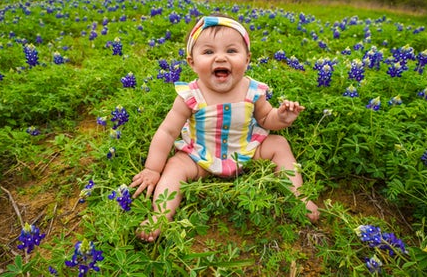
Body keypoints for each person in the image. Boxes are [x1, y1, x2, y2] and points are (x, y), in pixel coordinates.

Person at [130, 15, 319, 242]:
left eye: (231, 51)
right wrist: (152, 168)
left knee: (279, 143)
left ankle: (297, 196)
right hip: (200, 156)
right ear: (191, 62)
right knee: (175, 166)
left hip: (245, 150)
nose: (220, 57)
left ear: (247, 59)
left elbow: (266, 119)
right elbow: (167, 132)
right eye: (208, 52)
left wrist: (281, 116)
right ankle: (161, 214)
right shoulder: (190, 96)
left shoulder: (253, 90)